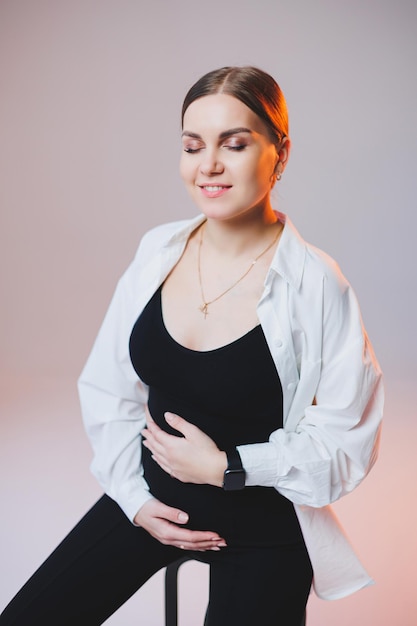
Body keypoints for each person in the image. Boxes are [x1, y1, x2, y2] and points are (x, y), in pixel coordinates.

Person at [0, 66, 383, 626]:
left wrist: (229, 467)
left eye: (235, 143)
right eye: (192, 145)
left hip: (263, 531)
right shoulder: (158, 250)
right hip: (152, 502)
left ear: (280, 151)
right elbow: (109, 388)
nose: (209, 165)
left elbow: (349, 442)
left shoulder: (317, 283)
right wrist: (133, 500)